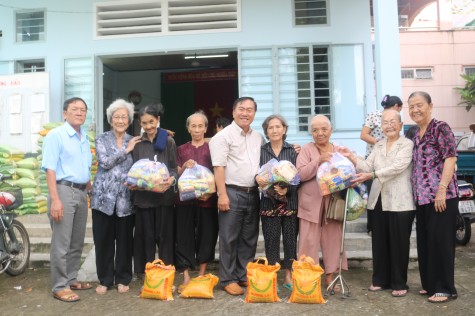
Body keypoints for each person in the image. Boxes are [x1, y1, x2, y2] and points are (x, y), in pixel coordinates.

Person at [344, 110, 415, 297]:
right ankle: (380, 280)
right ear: (380, 126)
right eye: (385, 122)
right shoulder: (378, 144)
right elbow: (367, 166)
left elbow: (398, 167)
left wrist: (372, 175)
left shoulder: (407, 144)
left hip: (401, 202)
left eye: (393, 122)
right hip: (378, 200)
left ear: (401, 125)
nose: (389, 125)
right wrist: (352, 157)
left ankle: (399, 283)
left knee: (399, 243)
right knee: (379, 242)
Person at [209, 97, 264, 296]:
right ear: (233, 112)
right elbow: (218, 167)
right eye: (241, 109)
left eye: (250, 110)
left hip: (252, 193)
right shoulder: (223, 137)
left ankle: (242, 275)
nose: (245, 113)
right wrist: (221, 195)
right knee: (229, 238)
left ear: (254, 114)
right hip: (231, 192)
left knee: (249, 238)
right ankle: (227, 278)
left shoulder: (258, 137)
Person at [408, 91, 459, 303]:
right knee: (426, 242)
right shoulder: (414, 133)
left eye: (419, 105)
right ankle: (430, 284)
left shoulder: (441, 127)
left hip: (441, 196)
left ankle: (445, 288)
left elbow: (450, 158)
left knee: (441, 243)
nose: (415, 110)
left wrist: (441, 189)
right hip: (422, 197)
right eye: (411, 106)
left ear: (430, 105)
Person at [42, 97, 93, 302]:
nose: (79, 112)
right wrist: (55, 199)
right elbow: (50, 169)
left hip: (81, 193)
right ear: (65, 113)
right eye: (74, 109)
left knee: (76, 242)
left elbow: (84, 169)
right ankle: (59, 286)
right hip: (63, 191)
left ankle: (71, 279)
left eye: (83, 110)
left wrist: (90, 190)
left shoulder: (84, 137)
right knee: (61, 243)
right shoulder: (56, 135)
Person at [90, 99, 142, 295]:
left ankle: (123, 278)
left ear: (129, 121)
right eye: (116, 117)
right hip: (102, 199)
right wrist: (125, 150)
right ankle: (104, 279)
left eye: (124, 117)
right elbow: (104, 163)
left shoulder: (135, 140)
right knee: (103, 240)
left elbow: (140, 167)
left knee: (124, 241)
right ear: (111, 120)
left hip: (126, 200)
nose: (120, 120)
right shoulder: (101, 139)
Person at [296, 114, 347, 292]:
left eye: (324, 129)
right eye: (315, 130)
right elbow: (300, 175)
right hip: (310, 203)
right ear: (311, 132)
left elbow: (348, 172)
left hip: (333, 202)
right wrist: (319, 161)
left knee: (332, 240)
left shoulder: (339, 149)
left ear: (330, 130)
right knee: (308, 241)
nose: (320, 133)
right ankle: (308, 277)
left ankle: (330, 277)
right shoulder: (306, 150)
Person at [131, 103, 177, 276]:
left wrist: (172, 178)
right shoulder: (137, 144)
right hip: (143, 200)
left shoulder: (168, 141)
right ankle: (147, 275)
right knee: (145, 239)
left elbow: (173, 168)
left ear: (158, 120)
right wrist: (134, 181)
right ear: (140, 124)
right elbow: (133, 171)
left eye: (151, 121)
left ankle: (166, 274)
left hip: (164, 199)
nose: (148, 126)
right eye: (144, 123)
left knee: (165, 239)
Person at [175, 111, 218, 293]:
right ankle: (185, 275)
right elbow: (176, 171)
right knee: (183, 236)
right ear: (188, 128)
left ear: (206, 128)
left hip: (207, 201)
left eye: (201, 126)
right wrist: (184, 167)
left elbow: (219, 171)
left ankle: (201, 274)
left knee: (206, 235)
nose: (197, 129)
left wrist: (211, 193)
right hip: (185, 201)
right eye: (193, 126)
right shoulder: (181, 149)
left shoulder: (212, 149)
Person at [255, 114, 298, 291]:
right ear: (266, 131)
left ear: (284, 129)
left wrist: (288, 189)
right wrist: (257, 178)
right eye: (270, 127)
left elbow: (299, 176)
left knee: (290, 241)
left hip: (289, 202)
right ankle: (272, 274)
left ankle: (288, 275)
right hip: (268, 203)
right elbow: (254, 173)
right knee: (271, 240)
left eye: (278, 127)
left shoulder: (293, 151)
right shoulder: (260, 151)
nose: (274, 130)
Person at [360, 95, 403, 235]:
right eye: (400, 108)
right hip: (373, 162)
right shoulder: (374, 115)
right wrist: (379, 143)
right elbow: (364, 135)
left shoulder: (397, 120)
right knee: (373, 195)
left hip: (390, 162)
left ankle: (387, 225)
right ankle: (371, 227)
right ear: (397, 106)